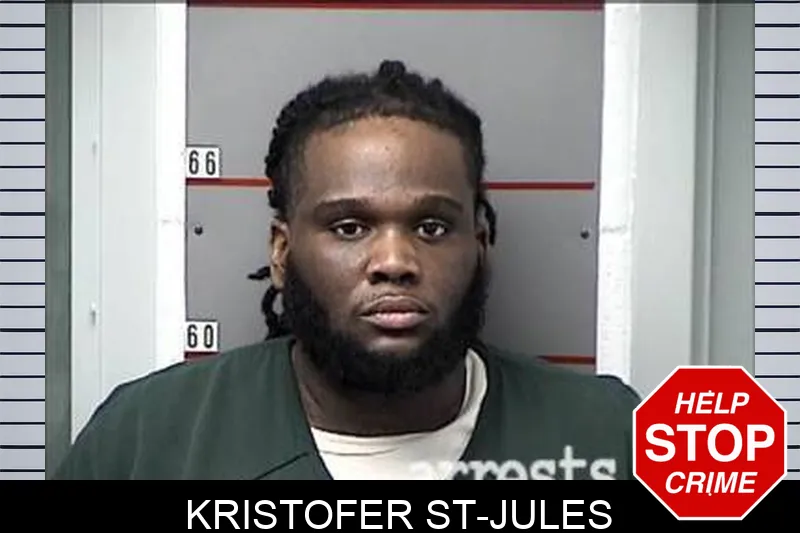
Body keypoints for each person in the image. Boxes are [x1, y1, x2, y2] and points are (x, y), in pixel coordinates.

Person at [53, 60, 640, 480]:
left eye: (432, 227)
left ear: (481, 245)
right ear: (281, 252)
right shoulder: (146, 440)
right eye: (350, 228)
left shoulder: (616, 437)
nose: (394, 263)